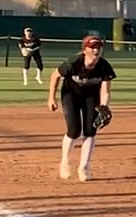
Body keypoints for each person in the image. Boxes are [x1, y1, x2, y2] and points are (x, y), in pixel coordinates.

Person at [49, 33, 115, 181]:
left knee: (90, 130)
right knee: (74, 130)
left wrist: (104, 106)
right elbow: (55, 76)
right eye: (92, 47)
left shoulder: (104, 66)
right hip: (71, 94)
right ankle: (65, 162)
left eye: (99, 47)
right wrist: (51, 98)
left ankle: (84, 167)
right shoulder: (74, 62)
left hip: (91, 96)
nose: (96, 50)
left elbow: (105, 90)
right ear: (85, 49)